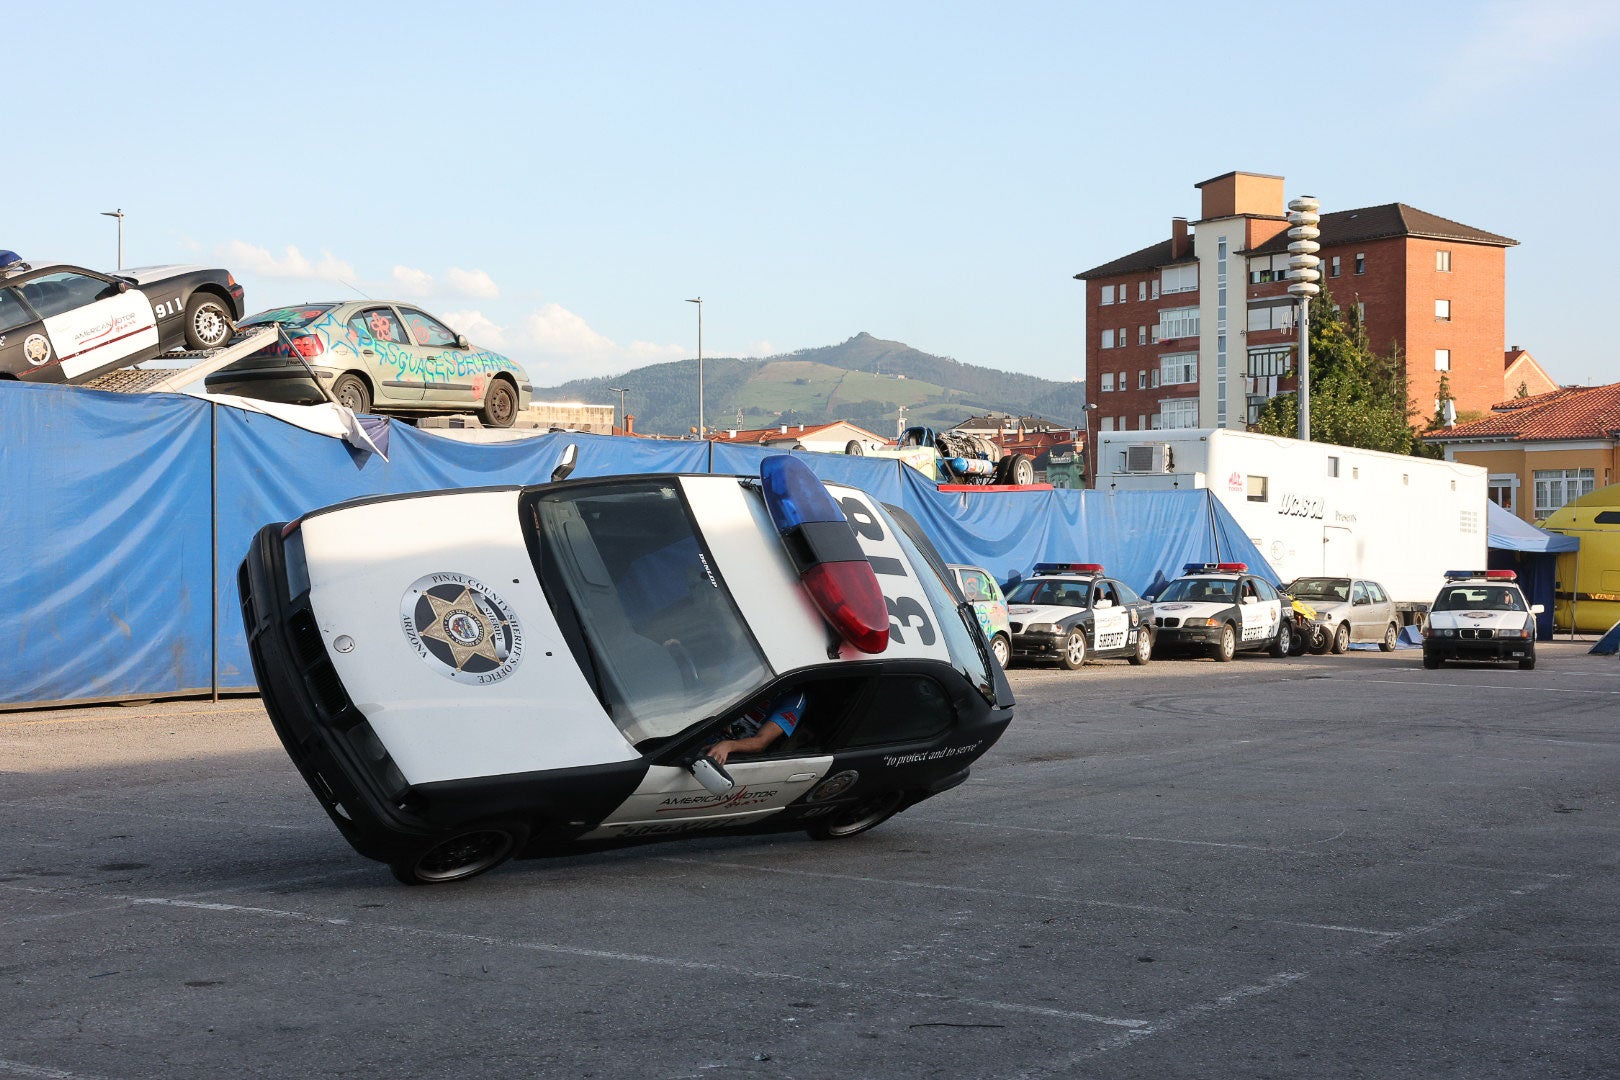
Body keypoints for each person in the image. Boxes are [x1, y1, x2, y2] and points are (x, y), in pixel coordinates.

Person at [704, 688, 807, 766]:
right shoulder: (755, 672)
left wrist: (728, 745)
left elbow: (760, 742)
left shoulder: (794, 699)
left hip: (733, 753)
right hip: (705, 729)